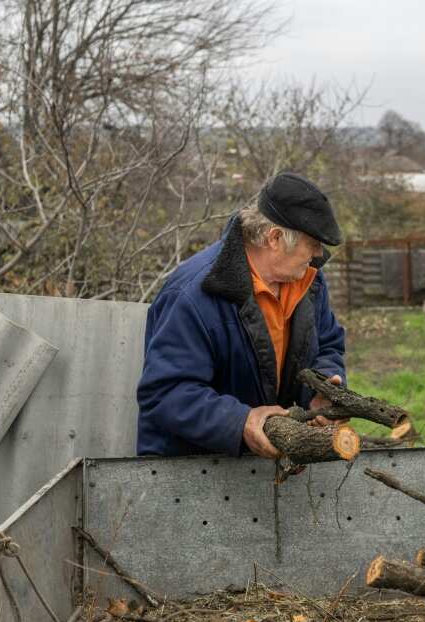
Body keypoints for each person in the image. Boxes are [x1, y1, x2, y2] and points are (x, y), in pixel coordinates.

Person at [136, 172, 346, 458]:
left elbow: (329, 344)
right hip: (189, 474)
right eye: (313, 244)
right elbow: (165, 393)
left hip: (266, 471)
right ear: (275, 238)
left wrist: (322, 388)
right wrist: (241, 421)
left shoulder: (310, 282)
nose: (318, 254)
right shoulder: (192, 294)